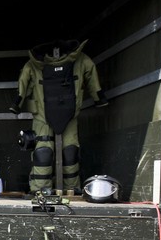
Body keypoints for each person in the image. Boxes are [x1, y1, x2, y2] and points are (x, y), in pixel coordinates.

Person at [10, 39, 108, 194]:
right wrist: (99, 98)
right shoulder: (81, 59)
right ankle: (71, 189)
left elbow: (22, 86)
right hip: (68, 114)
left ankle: (41, 190)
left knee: (44, 152)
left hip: (42, 115)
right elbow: (93, 79)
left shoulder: (33, 63)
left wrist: (17, 103)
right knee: (69, 152)